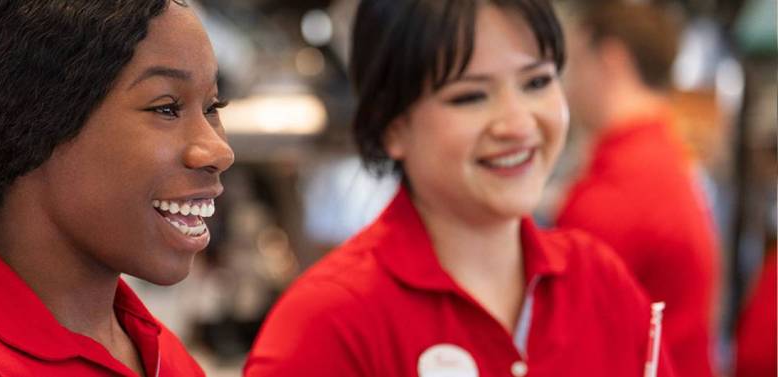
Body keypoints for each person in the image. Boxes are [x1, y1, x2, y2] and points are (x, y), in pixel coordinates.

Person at [244, 1, 674, 376]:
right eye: (470, 97)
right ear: (393, 126)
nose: (519, 124)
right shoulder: (330, 322)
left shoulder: (599, 282)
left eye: (537, 82)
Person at [0, 0, 233, 376]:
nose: (218, 150)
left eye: (212, 106)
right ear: (31, 126)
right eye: (166, 107)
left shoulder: (159, 353)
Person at [557, 4, 719, 376]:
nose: (570, 86)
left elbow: (572, 342)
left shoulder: (623, 188)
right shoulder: (666, 161)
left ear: (611, 61)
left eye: (578, 64)